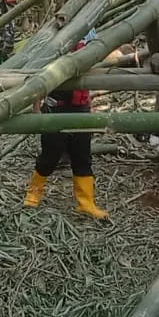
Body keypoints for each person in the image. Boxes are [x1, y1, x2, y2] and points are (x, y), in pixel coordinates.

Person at [21, 27, 108, 219]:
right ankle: (32, 196)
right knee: (50, 155)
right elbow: (38, 73)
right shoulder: (56, 37)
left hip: (80, 105)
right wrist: (36, 107)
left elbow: (94, 65)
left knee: (82, 156)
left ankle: (86, 203)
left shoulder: (91, 36)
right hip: (56, 105)